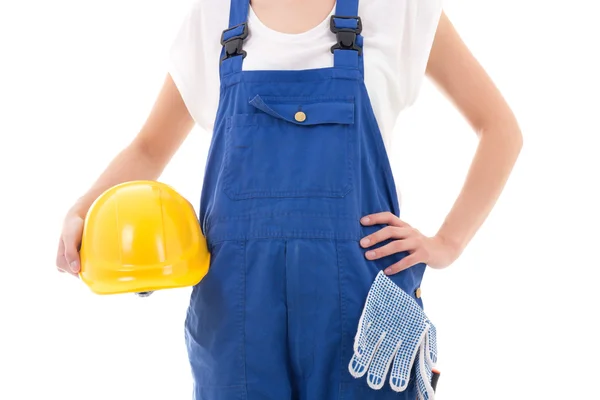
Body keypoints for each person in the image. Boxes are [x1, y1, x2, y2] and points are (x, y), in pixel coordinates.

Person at [55, 0, 523, 398]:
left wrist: (448, 243)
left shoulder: (397, 9)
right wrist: (83, 208)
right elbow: (149, 148)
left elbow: (500, 129)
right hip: (235, 319)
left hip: (364, 317)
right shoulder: (215, 18)